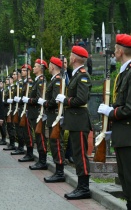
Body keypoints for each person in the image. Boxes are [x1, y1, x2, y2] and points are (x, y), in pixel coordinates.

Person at [97, 34, 131, 210]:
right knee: (125, 180)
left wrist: (111, 112)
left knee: (129, 180)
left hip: (128, 136)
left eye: (115, 48)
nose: (114, 52)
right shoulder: (124, 72)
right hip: (122, 135)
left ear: (120, 50)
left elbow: (129, 108)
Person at [56, 45, 92, 200]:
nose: (68, 58)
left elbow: (81, 99)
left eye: (71, 55)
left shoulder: (83, 76)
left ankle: (84, 188)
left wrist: (66, 100)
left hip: (79, 121)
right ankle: (81, 186)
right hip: (74, 120)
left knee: (81, 155)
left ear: (76, 58)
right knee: (78, 154)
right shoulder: (76, 75)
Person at [38, 57, 66, 182]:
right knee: (54, 143)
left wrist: (45, 103)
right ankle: (58, 170)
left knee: (56, 143)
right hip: (51, 116)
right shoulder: (54, 80)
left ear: (53, 67)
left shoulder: (57, 80)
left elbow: (55, 101)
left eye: (49, 65)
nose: (48, 67)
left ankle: (60, 172)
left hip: (55, 115)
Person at [22, 59, 48, 170]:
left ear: (41, 68)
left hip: (38, 113)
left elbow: (39, 98)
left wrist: (28, 100)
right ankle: (41, 160)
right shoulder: (38, 81)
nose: (33, 68)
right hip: (33, 113)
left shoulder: (41, 80)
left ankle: (43, 161)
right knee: (38, 137)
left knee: (40, 137)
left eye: (35, 66)